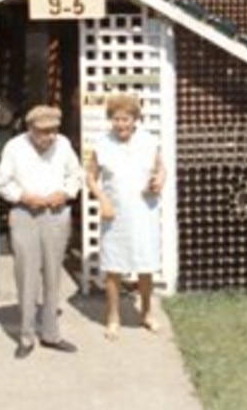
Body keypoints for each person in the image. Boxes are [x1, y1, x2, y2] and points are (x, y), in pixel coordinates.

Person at [0, 104, 83, 358]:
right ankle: (26, 336)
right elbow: (1, 182)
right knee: (26, 274)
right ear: (30, 129)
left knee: (54, 274)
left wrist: (65, 192)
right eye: (44, 131)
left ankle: (52, 335)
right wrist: (23, 196)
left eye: (54, 130)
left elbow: (76, 174)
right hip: (25, 213)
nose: (50, 136)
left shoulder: (63, 144)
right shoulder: (14, 147)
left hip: (56, 214)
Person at [85, 93, 167, 340]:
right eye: (116, 119)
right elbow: (90, 177)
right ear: (111, 120)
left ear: (135, 119)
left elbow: (161, 167)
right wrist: (103, 199)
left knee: (146, 265)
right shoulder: (101, 144)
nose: (121, 124)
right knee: (114, 266)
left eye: (126, 119)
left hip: (144, 211)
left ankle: (146, 313)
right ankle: (113, 316)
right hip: (115, 214)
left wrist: (159, 180)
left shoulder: (149, 141)